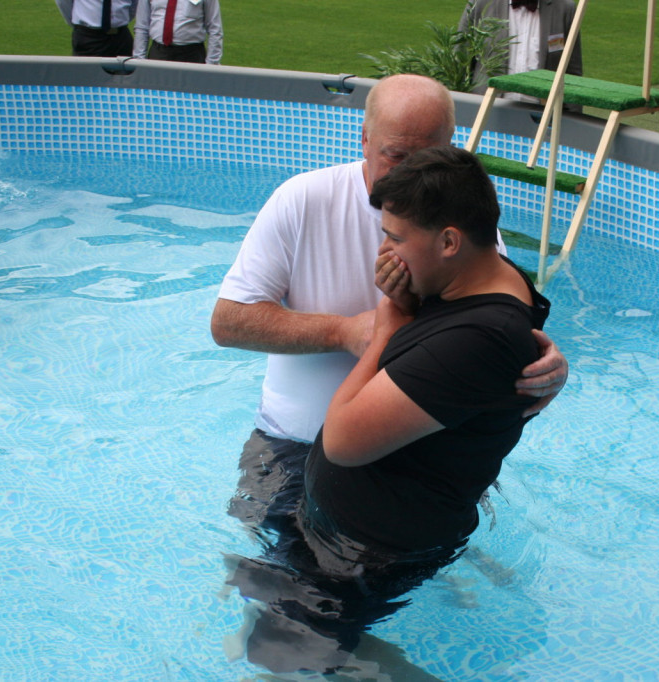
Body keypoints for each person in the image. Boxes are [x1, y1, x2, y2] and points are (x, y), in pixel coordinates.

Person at [224, 145, 551, 675]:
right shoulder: (478, 278)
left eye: (395, 238)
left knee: (280, 659)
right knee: (255, 594)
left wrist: (387, 324)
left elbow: (343, 442)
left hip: (367, 553)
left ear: (449, 241)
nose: (385, 251)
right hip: (351, 531)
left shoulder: (479, 336)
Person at [211, 74, 567, 510]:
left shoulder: (464, 224)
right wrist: (343, 333)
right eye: (396, 155)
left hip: (417, 456)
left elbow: (488, 317)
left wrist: (540, 363)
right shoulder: (302, 200)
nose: (411, 175)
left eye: (428, 157)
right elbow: (228, 322)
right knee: (264, 576)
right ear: (364, 139)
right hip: (291, 442)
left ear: (452, 148)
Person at [458, 0, 584, 103]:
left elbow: (573, 74)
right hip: (487, 110)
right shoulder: (481, 3)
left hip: (541, 116)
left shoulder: (565, 8)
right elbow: (458, 61)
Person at [132, 0, 224, 65]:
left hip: (191, 55)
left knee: (191, 91)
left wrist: (211, 64)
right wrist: (138, 60)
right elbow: (142, 27)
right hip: (159, 53)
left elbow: (215, 29)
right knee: (158, 91)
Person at [55, 0, 138, 58]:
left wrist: (119, 22)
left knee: (123, 80)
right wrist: (78, 23)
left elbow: (134, 4)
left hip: (121, 37)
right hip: (89, 38)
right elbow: (63, 2)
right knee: (86, 79)